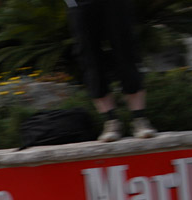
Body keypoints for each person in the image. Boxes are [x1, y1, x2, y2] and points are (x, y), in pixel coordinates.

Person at [65, 0, 156, 142]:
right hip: (79, 4)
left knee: (126, 52)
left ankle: (139, 119)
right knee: (90, 60)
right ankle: (111, 121)